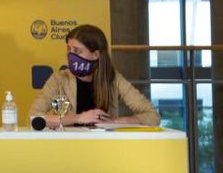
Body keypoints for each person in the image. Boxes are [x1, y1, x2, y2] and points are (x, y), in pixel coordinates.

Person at [29, 24, 159, 127]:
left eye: (77, 51)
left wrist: (114, 122)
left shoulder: (114, 79)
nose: (70, 55)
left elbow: (152, 116)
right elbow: (33, 117)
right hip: (68, 145)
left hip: (104, 145)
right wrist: (78, 118)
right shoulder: (59, 79)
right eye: (69, 49)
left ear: (96, 55)